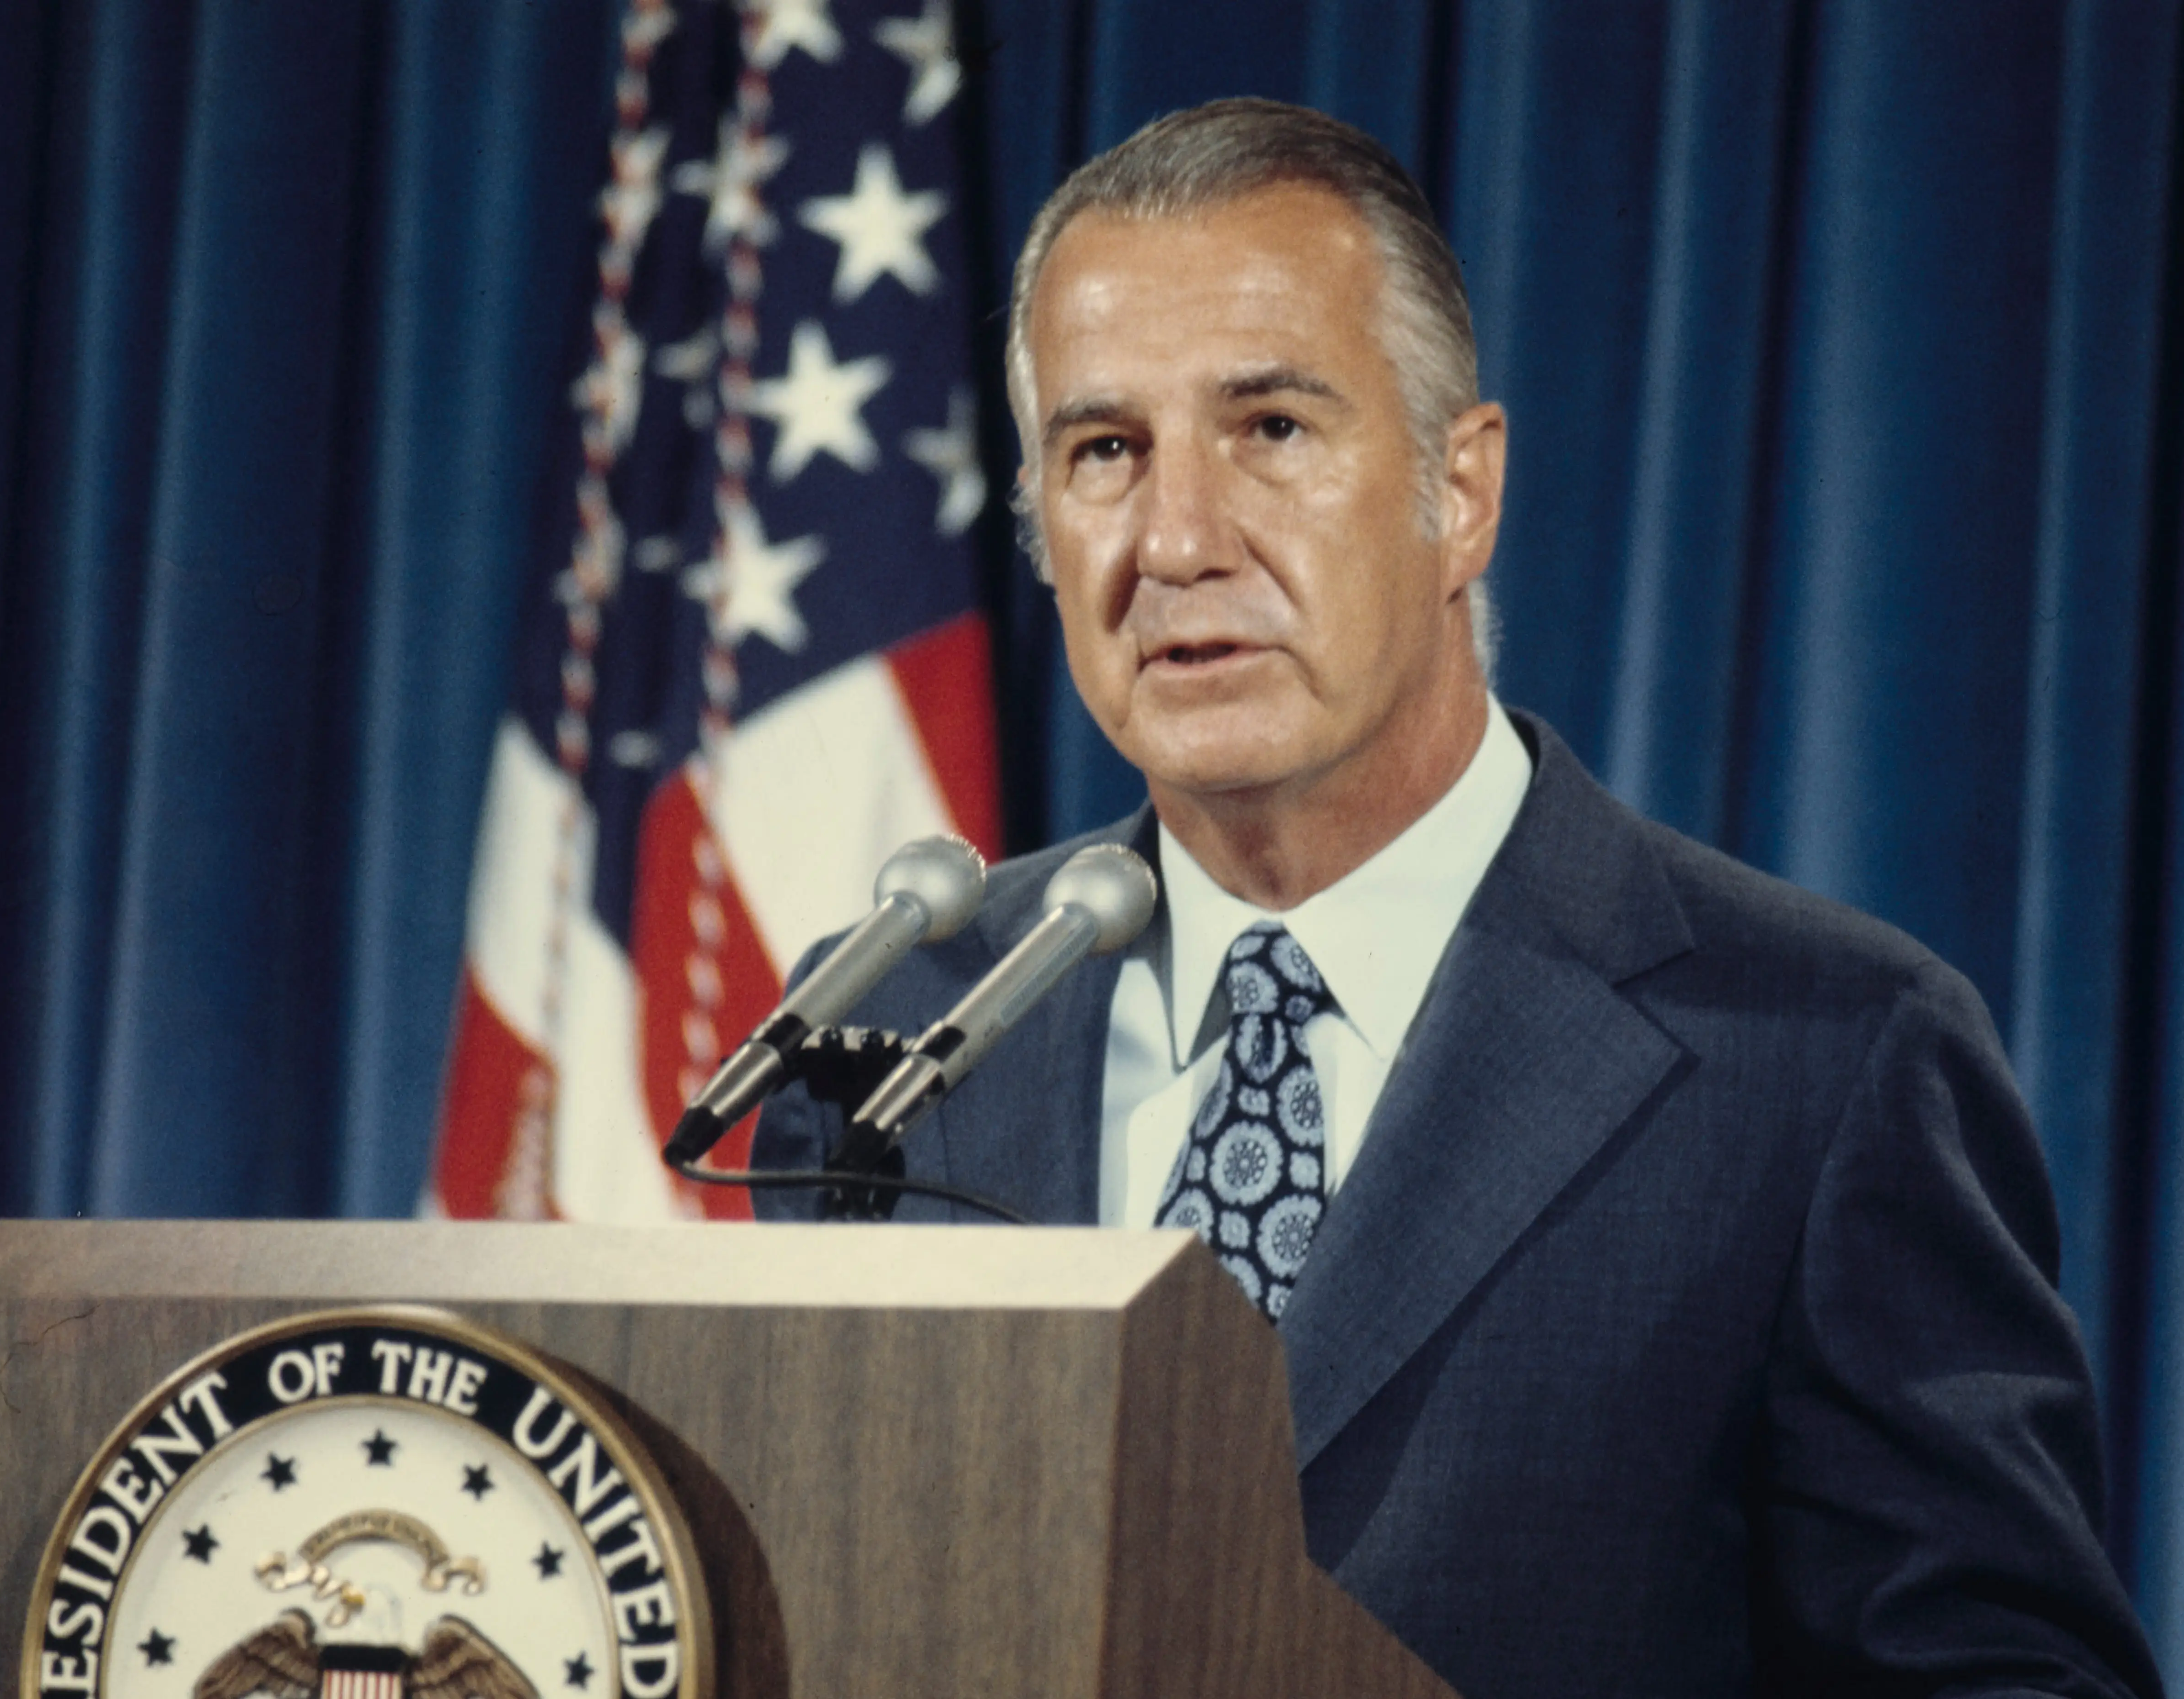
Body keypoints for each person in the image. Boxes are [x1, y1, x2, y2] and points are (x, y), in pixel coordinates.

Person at [753, 98, 2162, 1698]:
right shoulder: (900, 1037)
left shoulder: (1826, 1062)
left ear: (1462, 492)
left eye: (1272, 429)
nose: (1180, 536)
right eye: (1105, 453)